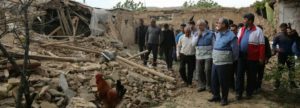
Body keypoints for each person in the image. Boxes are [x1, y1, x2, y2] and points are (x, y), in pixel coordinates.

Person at [209, 18, 238, 106]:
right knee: (214, 80)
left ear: (224, 25)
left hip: (225, 63)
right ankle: (216, 95)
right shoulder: (217, 34)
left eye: (219, 23)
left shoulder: (231, 36)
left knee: (224, 82)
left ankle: (224, 98)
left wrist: (230, 60)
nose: (217, 24)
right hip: (215, 61)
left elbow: (235, 51)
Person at [236, 13, 265, 100]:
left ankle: (249, 93)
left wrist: (261, 58)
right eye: (244, 19)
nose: (243, 21)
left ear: (250, 21)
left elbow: (262, 45)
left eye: (245, 19)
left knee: (251, 76)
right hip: (241, 57)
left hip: (252, 58)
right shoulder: (241, 29)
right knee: (239, 75)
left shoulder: (258, 30)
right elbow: (237, 41)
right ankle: (239, 93)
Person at [272, 23, 298, 89]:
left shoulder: (292, 35)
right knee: (280, 69)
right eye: (281, 28)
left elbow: (297, 38)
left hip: (291, 55)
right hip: (282, 55)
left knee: (292, 69)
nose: (283, 30)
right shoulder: (278, 36)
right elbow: (273, 45)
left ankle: (292, 84)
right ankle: (277, 84)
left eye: (284, 28)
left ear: (286, 28)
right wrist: (277, 49)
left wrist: (292, 30)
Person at [192, 19, 214, 92]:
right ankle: (202, 85)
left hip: (208, 54)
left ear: (204, 25)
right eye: (197, 25)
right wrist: (198, 36)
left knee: (208, 69)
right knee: (200, 70)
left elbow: (214, 44)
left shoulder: (210, 33)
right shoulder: (195, 34)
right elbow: (193, 44)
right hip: (199, 55)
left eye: (200, 25)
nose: (198, 27)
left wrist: (214, 54)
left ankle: (209, 85)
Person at [256, 25, 272, 92]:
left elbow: (268, 50)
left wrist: (267, 58)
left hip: (261, 59)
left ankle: (258, 86)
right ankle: (253, 86)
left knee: (260, 73)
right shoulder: (252, 37)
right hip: (252, 59)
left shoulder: (265, 38)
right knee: (252, 73)